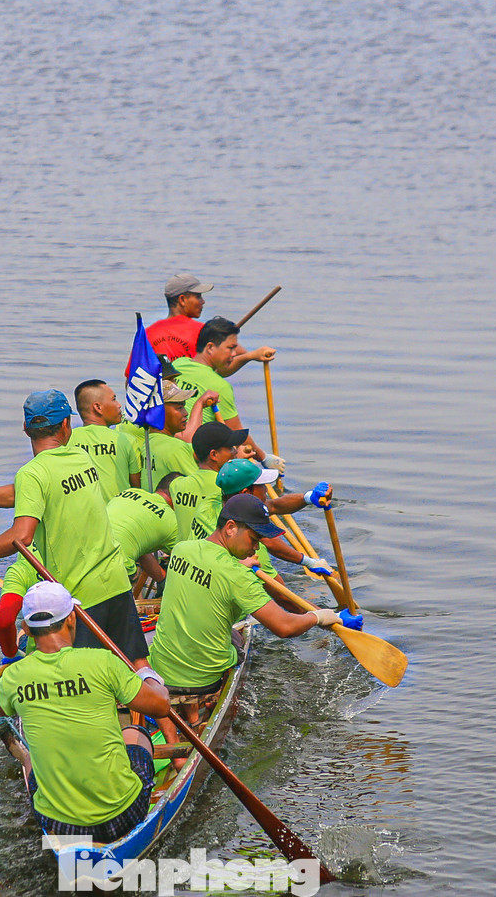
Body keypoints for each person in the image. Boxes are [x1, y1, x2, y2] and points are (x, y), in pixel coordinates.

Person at [0, 390, 147, 665]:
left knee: (79, 675)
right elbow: (26, 495)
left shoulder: (33, 473)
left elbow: (22, 536)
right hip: (116, 581)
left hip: (80, 598)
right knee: (137, 662)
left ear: (26, 429)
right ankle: (157, 700)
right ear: (65, 425)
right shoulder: (81, 458)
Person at [147, 495, 361, 759]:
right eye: (254, 539)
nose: (256, 550)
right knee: (238, 637)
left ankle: (182, 724)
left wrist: (238, 564)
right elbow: (284, 627)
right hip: (202, 680)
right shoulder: (237, 577)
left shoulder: (182, 549)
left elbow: (215, 568)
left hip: (160, 667)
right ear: (230, 528)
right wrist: (322, 617)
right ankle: (197, 714)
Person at [0, 581, 171, 842]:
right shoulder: (103, 662)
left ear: (25, 629)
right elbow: (161, 705)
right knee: (135, 732)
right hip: (122, 816)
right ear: (72, 618)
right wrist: (148, 675)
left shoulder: (13, 678)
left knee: (29, 760)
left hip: (61, 826)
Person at [170, 317, 278, 465]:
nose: (234, 353)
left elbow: (213, 373)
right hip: (195, 457)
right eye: (230, 348)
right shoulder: (221, 386)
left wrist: (251, 356)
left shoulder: (178, 364)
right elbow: (238, 434)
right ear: (210, 347)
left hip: (172, 445)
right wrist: (264, 458)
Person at [214, 457, 334, 585]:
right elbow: (283, 597)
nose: (267, 489)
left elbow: (274, 506)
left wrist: (309, 497)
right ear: (245, 493)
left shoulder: (215, 503)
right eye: (261, 485)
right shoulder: (249, 548)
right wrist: (309, 562)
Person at [145, 274, 272, 376]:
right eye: (198, 296)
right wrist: (252, 356)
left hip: (160, 403)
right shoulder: (203, 331)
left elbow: (133, 377)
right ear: (182, 300)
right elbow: (228, 364)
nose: (203, 301)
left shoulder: (148, 333)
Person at [67, 379, 143, 498]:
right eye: (114, 399)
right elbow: (138, 490)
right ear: (98, 407)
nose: (119, 404)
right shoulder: (125, 440)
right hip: (119, 514)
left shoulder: (66, 440)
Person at [108, 474, 182, 586]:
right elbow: (185, 561)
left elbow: (139, 549)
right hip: (117, 567)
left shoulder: (131, 491)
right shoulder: (171, 520)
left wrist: (162, 580)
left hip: (85, 553)